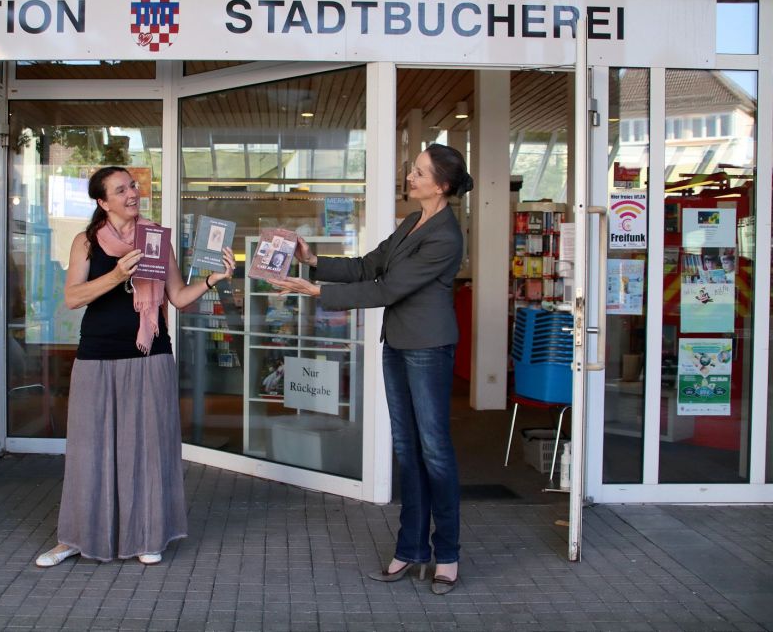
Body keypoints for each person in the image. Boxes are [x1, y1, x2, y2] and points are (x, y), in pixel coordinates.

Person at [272, 144, 473, 595]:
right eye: (412, 170)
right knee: (407, 447)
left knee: (435, 451)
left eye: (419, 172)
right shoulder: (411, 223)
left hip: (428, 347)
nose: (410, 176)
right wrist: (312, 260)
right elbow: (369, 266)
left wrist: (317, 291)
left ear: (440, 185)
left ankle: (448, 555)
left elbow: (390, 287)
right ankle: (411, 549)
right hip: (398, 345)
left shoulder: (445, 236)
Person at [36, 166, 235, 568]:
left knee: (147, 449)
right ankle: (76, 536)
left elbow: (178, 297)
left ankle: (147, 534)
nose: (132, 193)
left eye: (134, 186)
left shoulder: (157, 239)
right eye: (121, 189)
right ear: (102, 201)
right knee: (89, 450)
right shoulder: (86, 242)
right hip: (97, 355)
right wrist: (116, 274)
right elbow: (73, 298)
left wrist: (214, 279)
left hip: (151, 354)